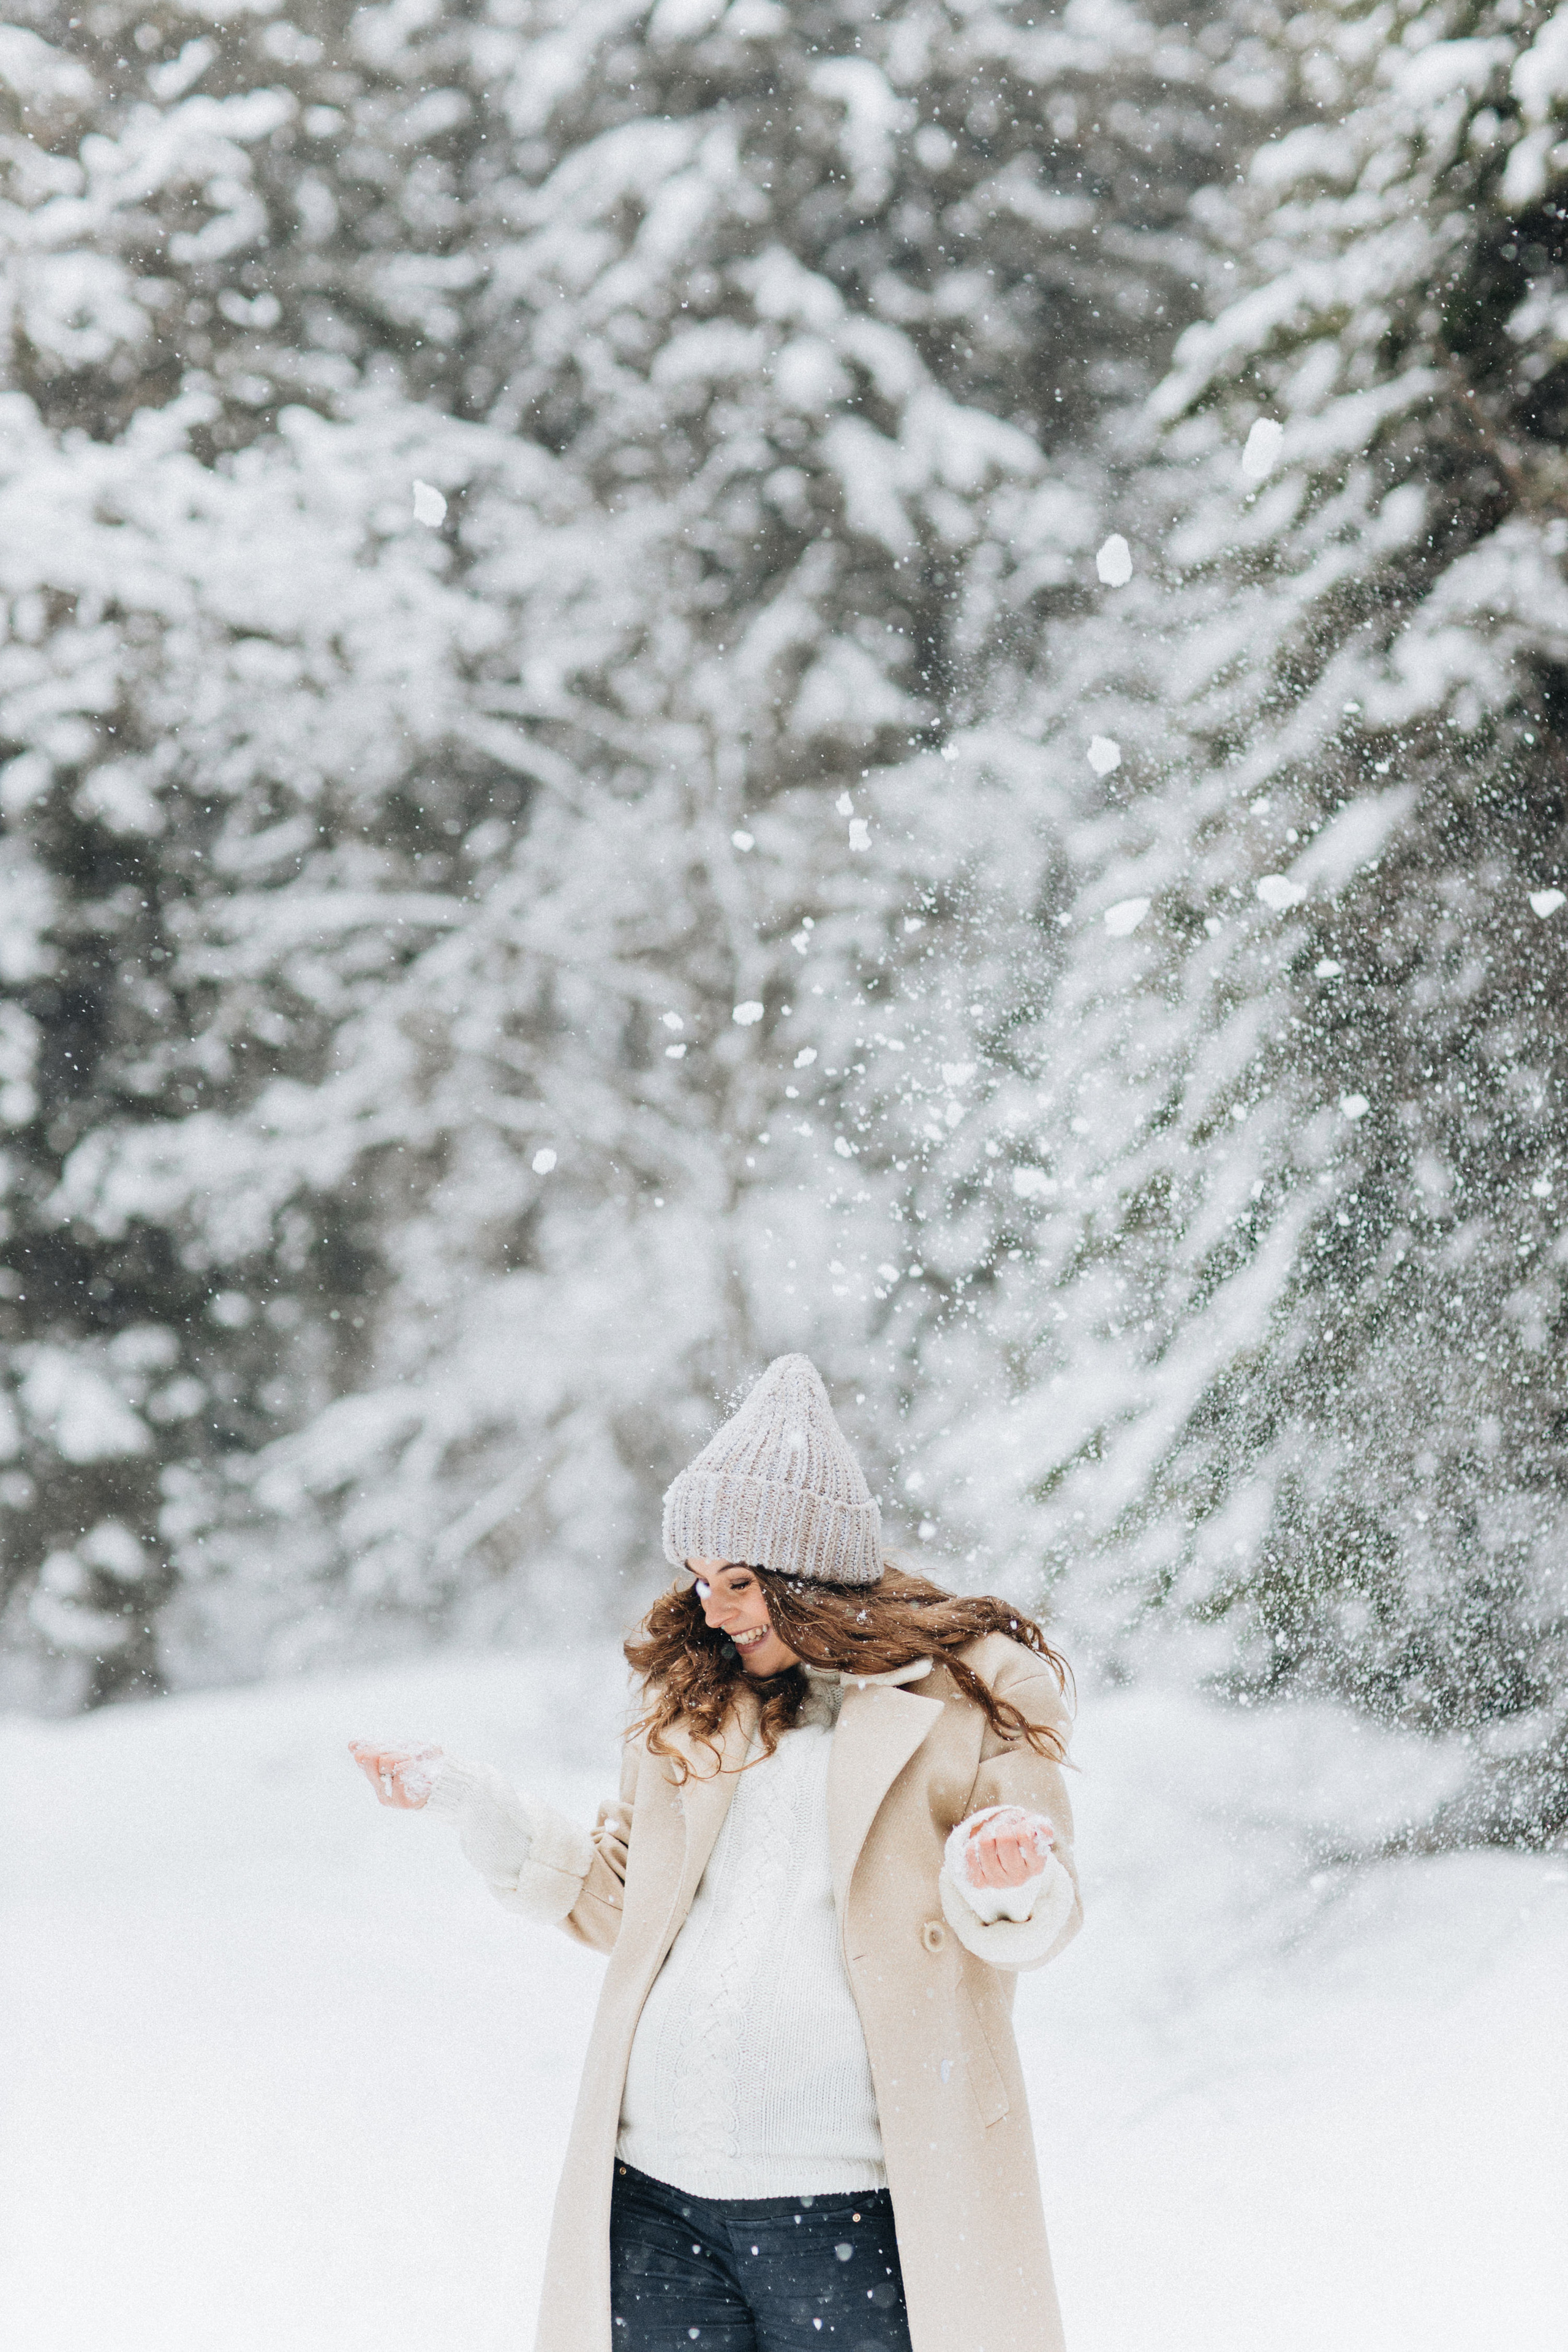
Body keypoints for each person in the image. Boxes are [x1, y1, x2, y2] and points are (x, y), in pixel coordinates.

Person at [351, 1352, 1081, 2352]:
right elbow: (624, 1908)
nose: (712, 1609)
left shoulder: (972, 1695)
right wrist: (474, 1804)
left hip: (853, 2209)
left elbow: (1034, 1921)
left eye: (739, 1582)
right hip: (660, 2206)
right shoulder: (696, 1706)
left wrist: (1006, 1877)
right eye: (701, 1581)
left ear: (811, 1574)